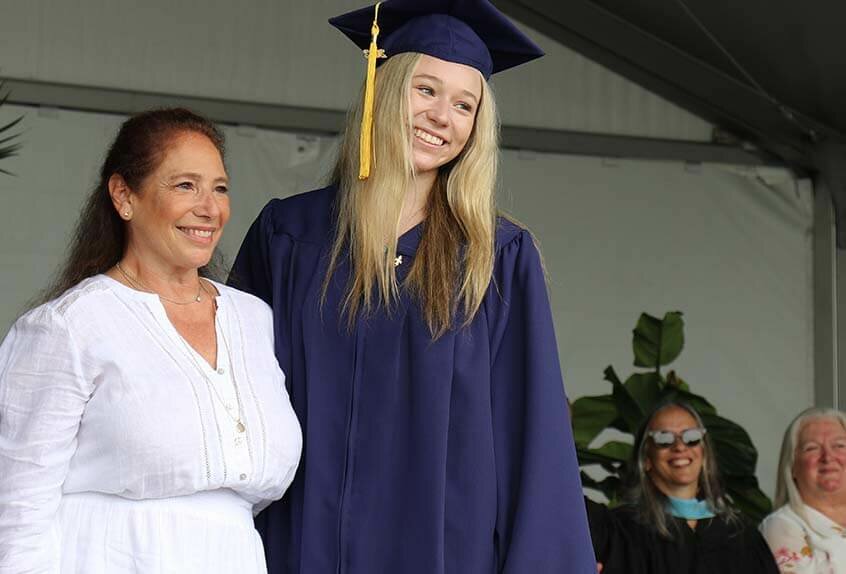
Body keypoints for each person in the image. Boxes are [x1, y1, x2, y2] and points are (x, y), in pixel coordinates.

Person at [229, 0, 596, 572]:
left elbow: (535, 440)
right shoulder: (289, 236)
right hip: (300, 544)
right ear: (384, 86)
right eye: (426, 89)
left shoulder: (495, 259)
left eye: (464, 104)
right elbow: (232, 395)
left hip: (444, 551)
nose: (442, 116)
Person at [0, 108, 302, 573]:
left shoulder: (252, 318)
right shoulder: (71, 325)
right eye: (185, 185)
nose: (209, 208)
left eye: (219, 188)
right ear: (124, 196)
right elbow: (17, 508)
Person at [600, 401, 779, 573]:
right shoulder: (623, 531)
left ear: (704, 453)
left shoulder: (740, 533)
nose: (679, 447)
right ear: (646, 458)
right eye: (664, 438)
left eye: (691, 437)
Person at [760, 407, 846, 572]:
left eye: (839, 445)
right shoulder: (781, 525)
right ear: (792, 466)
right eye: (812, 448)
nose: (827, 457)